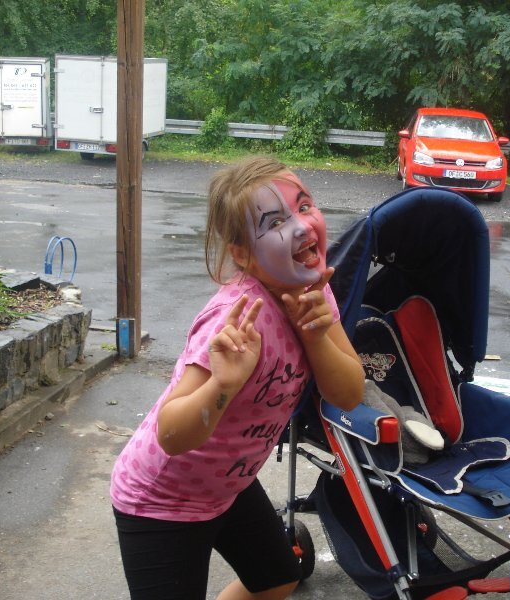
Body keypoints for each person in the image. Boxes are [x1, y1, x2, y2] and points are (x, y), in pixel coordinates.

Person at [110, 156, 365, 600]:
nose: (302, 226)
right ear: (242, 254)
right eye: (276, 222)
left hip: (227, 485)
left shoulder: (315, 291)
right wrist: (221, 385)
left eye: (305, 206)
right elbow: (171, 434)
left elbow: (347, 393)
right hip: (162, 499)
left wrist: (317, 335)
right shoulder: (237, 319)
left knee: (278, 580)